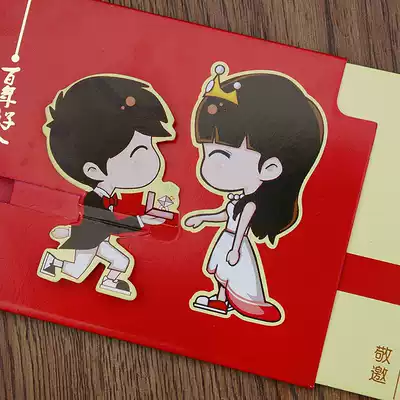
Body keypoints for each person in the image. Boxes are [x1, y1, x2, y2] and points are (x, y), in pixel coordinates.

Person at [184, 63, 326, 324]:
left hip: (233, 243)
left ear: (270, 169)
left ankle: (230, 300)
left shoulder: (250, 205)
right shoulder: (238, 200)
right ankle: (220, 299)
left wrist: (236, 249)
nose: (206, 167)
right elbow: (225, 215)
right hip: (227, 239)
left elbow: (240, 227)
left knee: (231, 273)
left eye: (221, 156)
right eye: (206, 153)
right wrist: (203, 217)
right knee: (222, 275)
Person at [38, 74, 175, 300]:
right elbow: (110, 226)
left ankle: (110, 281)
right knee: (76, 270)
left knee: (121, 261)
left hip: (98, 240)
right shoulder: (95, 200)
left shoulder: (109, 197)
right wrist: (141, 221)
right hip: (90, 242)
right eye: (138, 154)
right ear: (93, 171)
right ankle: (54, 261)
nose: (155, 161)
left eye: (151, 147)